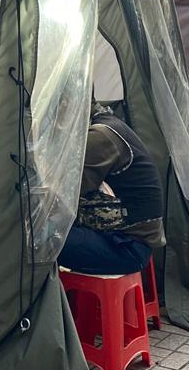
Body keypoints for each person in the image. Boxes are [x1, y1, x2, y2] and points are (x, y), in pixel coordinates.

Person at [57, 104, 164, 275]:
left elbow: (64, 192)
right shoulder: (107, 123)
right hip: (125, 240)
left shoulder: (102, 136)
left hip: (127, 247)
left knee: (40, 244)